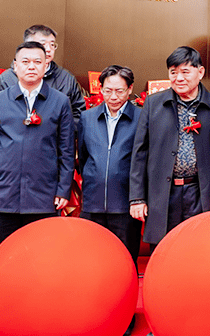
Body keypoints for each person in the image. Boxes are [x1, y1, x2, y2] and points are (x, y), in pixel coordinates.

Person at [130, 46, 210, 245]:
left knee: (201, 247)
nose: (178, 78)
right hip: (164, 192)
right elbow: (140, 152)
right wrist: (137, 198)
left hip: (201, 192)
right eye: (173, 72)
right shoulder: (154, 103)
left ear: (200, 72)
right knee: (164, 248)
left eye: (185, 72)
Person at [78, 65, 141, 336]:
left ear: (129, 90)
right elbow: (82, 155)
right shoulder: (88, 117)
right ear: (100, 89)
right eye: (107, 90)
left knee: (125, 265)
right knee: (93, 263)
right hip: (92, 202)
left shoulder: (141, 118)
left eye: (119, 90)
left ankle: (124, 318)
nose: (113, 96)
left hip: (125, 203)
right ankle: (94, 314)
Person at [0, 42, 74, 247]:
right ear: (14, 66)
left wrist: (63, 190)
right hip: (3, 194)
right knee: (3, 254)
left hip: (44, 196)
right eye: (25, 61)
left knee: (40, 254)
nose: (32, 66)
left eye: (38, 62)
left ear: (46, 66)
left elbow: (66, 150)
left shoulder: (60, 102)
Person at [0, 24, 86, 130]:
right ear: (27, 46)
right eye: (42, 44)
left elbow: (78, 114)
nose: (48, 49)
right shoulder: (6, 79)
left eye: (52, 45)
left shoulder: (66, 78)